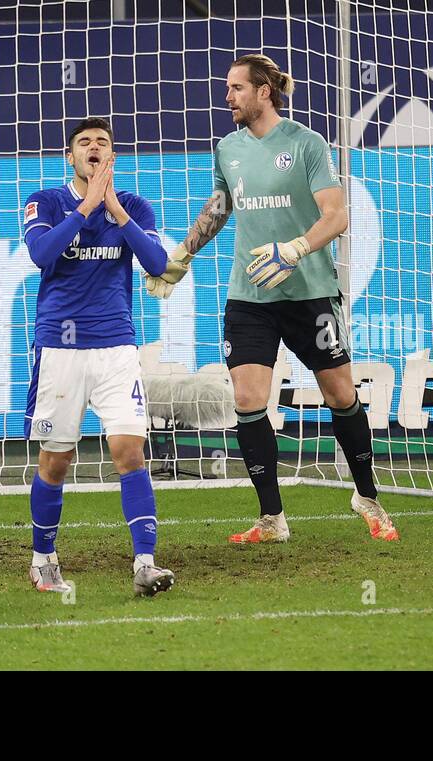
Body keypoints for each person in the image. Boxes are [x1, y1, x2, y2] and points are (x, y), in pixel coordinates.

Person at [144, 53, 399, 543]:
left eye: (236, 88)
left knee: (340, 394)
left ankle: (366, 494)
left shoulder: (306, 144)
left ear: (264, 91)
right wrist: (182, 255)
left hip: (310, 293)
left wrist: (295, 248)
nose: (227, 96)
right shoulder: (228, 148)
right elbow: (219, 209)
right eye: (227, 88)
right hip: (250, 295)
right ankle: (272, 517)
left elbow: (336, 215)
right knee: (247, 398)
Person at [22, 117, 176, 596]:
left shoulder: (133, 206)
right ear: (70, 156)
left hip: (115, 347)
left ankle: (145, 563)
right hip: (61, 348)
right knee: (56, 462)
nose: (93, 147)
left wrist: (112, 209)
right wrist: (86, 207)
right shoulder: (45, 201)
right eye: (84, 143)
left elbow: (157, 265)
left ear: (112, 157)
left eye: (102, 143)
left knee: (130, 452)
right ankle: (43, 559)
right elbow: (41, 254)